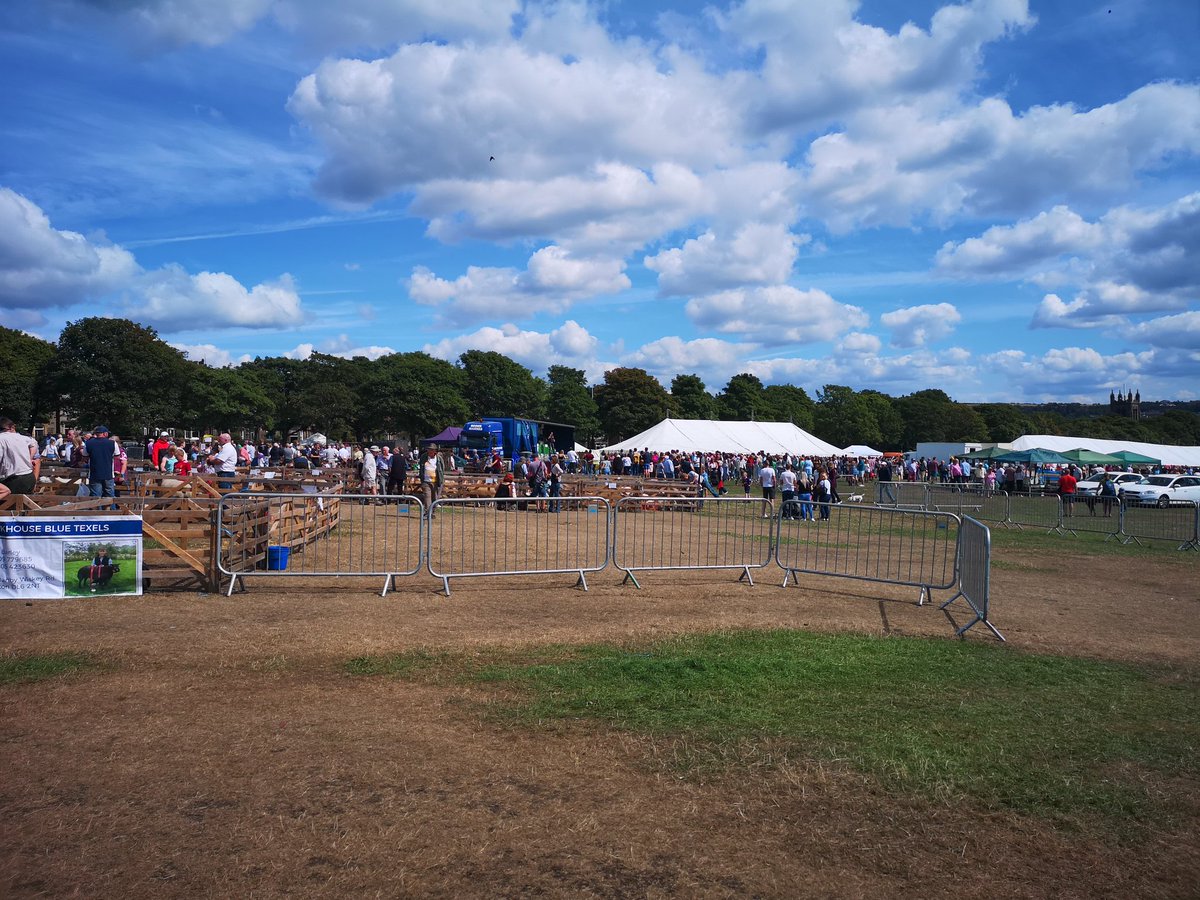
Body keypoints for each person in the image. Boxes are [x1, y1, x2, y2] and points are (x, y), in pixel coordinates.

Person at [0, 417, 40, 502]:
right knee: (23, 508)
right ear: (11, 427)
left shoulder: (1, 438)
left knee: (8, 508)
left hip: (14, 479)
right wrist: (30, 457)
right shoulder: (22, 437)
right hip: (29, 477)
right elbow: (34, 443)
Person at [81, 424, 118, 501]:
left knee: (96, 496)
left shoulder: (88, 443)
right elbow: (117, 456)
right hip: (108, 473)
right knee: (110, 495)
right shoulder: (112, 443)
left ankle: (97, 512)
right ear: (105, 434)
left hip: (94, 473)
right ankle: (111, 512)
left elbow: (84, 457)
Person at [420, 445, 446, 517]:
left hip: (436, 481)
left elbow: (442, 469)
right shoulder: (423, 457)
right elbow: (421, 468)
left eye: (431, 450)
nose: (429, 451)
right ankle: (428, 512)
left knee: (435, 498)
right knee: (427, 496)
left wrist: (441, 479)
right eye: (428, 449)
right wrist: (421, 478)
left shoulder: (439, 458)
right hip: (426, 481)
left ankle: (432, 512)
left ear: (435, 451)